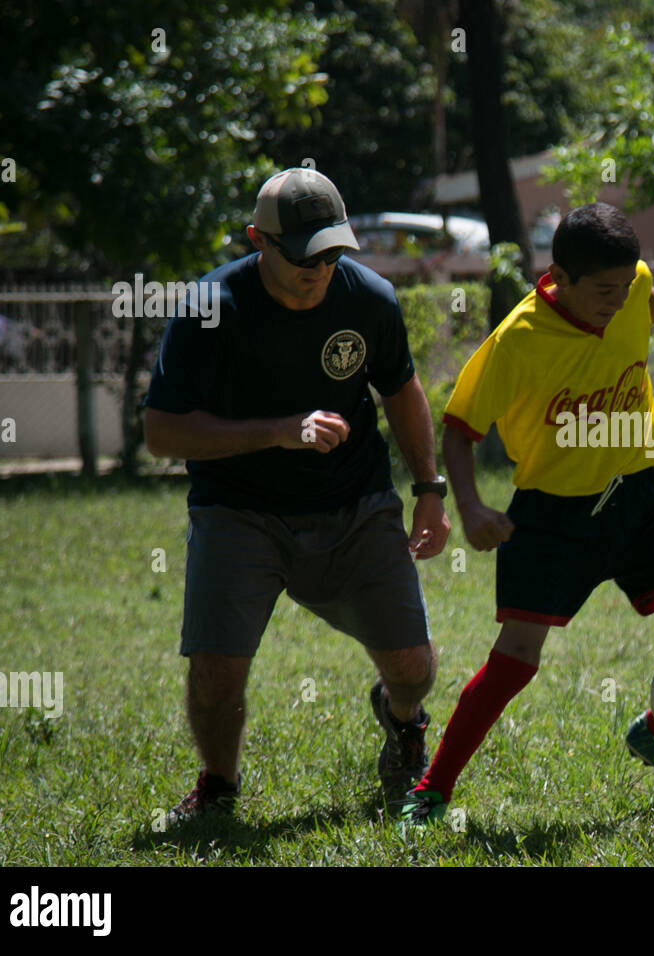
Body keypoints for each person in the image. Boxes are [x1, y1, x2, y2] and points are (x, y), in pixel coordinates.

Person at [400, 201, 654, 824]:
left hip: (646, 492)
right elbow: (461, 427)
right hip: (555, 515)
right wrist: (468, 505)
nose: (617, 299)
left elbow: (647, 297)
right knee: (515, 658)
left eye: (624, 286)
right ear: (560, 278)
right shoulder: (517, 339)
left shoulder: (631, 285)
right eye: (603, 290)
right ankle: (432, 789)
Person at [142, 167, 451, 826]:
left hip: (355, 505)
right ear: (259, 240)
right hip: (238, 511)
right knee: (217, 671)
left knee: (413, 667)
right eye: (304, 253)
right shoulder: (209, 307)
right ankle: (218, 787)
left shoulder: (369, 299)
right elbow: (161, 432)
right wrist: (278, 432)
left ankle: (402, 725)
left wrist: (429, 488)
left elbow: (401, 389)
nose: (321, 267)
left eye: (333, 250)